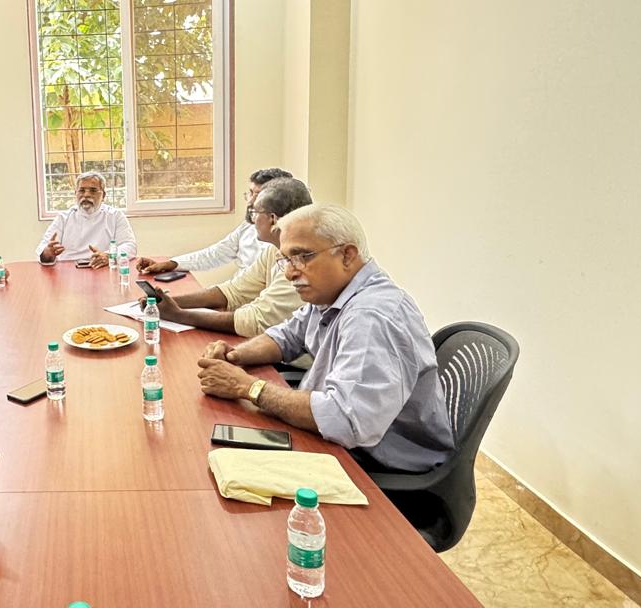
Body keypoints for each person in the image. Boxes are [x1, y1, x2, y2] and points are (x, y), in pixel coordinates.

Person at [194, 204, 454, 473]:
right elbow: (286, 336)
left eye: (302, 257)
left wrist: (247, 387)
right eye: (286, 260)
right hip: (334, 440)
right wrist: (235, 355)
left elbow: (345, 420)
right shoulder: (333, 294)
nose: (289, 273)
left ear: (347, 255)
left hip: (373, 465)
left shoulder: (372, 316)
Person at [146, 177, 311, 338]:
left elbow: (256, 321)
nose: (253, 219)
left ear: (273, 219)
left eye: (255, 213)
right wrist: (168, 302)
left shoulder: (302, 262)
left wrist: (178, 314)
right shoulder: (273, 249)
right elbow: (232, 291)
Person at [137, 167, 293, 280]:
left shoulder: (286, 242)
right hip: (237, 296)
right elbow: (215, 254)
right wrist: (170, 264)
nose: (251, 201)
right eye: (250, 193)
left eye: (258, 195)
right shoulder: (248, 226)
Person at [36, 171, 137, 267]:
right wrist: (48, 253)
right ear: (76, 193)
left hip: (101, 268)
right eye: (82, 190)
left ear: (103, 195)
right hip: (69, 272)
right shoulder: (63, 218)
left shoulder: (115, 216)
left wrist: (109, 256)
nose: (86, 195)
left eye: (93, 190)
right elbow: (43, 249)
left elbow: (130, 246)